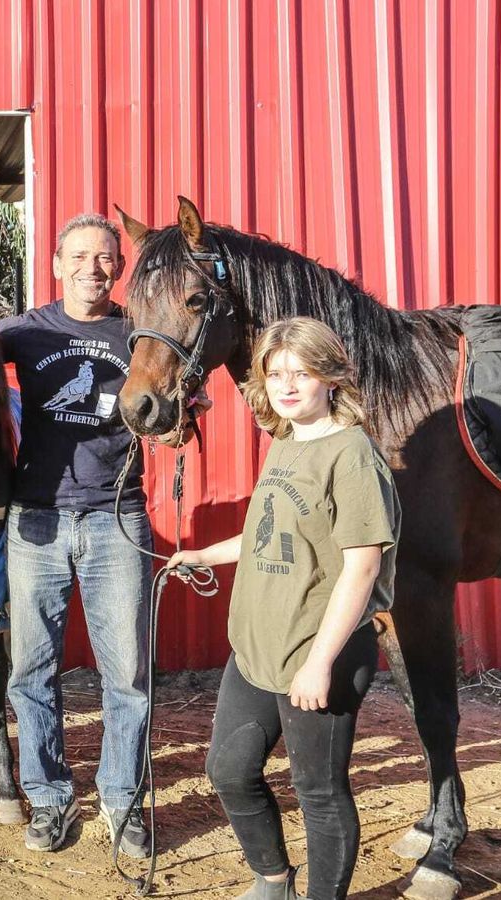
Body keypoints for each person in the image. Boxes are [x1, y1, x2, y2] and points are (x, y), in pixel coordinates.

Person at [167, 318, 397, 900]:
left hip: (317, 650)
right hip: (256, 647)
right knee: (229, 769)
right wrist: (202, 553)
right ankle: (274, 881)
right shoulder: (287, 442)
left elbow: (362, 567)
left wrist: (320, 662)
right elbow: (265, 535)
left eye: (301, 372)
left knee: (317, 789)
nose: (287, 386)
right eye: (275, 374)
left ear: (331, 377)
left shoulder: (351, 455)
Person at [0, 213, 153, 857]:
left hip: (118, 519)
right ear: (56, 263)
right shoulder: (24, 331)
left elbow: (175, 394)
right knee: (31, 670)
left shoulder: (138, 334)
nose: (94, 268)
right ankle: (49, 800)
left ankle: (122, 802)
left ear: (119, 267)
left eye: (105, 257)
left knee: (129, 674)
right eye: (80, 256)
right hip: (36, 519)